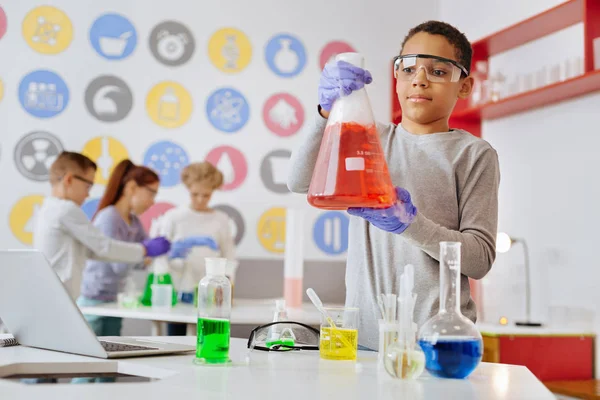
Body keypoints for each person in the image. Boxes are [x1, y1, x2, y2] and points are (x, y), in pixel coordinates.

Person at [287, 21, 500, 350]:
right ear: (396, 77)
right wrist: (326, 112)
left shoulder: (473, 154)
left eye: (439, 72)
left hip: (439, 344)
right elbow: (299, 181)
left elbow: (480, 259)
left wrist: (411, 225)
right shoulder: (367, 137)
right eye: (409, 68)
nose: (420, 79)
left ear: (465, 85)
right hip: (363, 343)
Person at [78, 159, 209, 337]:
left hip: (114, 300)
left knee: (110, 351)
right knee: (92, 356)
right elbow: (120, 266)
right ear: (131, 187)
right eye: (151, 193)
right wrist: (146, 251)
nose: (152, 201)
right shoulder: (109, 218)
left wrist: (168, 252)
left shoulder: (135, 222)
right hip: (94, 301)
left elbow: (143, 262)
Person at [33, 152, 172, 301]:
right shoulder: (65, 209)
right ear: (69, 180)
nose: (88, 195)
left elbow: (94, 252)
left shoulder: (50, 209)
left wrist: (143, 252)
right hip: (62, 297)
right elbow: (104, 247)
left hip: (56, 296)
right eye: (88, 186)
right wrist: (145, 249)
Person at [156, 161, 237, 336]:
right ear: (188, 189)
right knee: (175, 339)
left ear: (213, 192)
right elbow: (161, 256)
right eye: (195, 194)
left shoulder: (220, 220)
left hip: (210, 293)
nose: (200, 199)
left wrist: (229, 288)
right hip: (178, 289)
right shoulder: (174, 217)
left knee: (206, 336)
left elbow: (229, 256)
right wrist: (173, 255)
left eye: (206, 195)